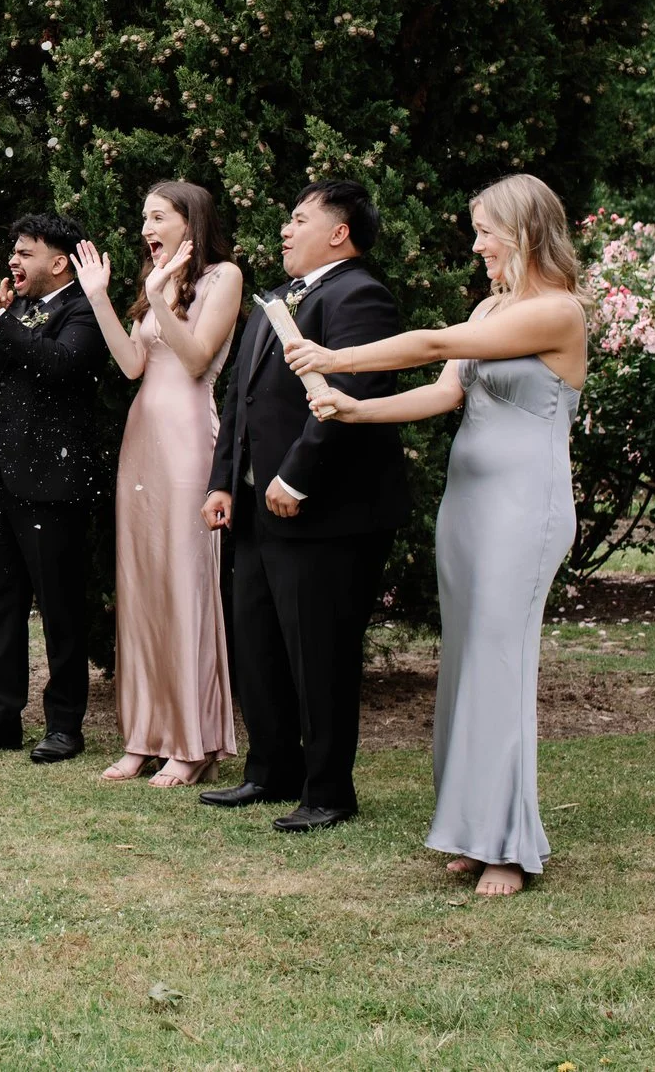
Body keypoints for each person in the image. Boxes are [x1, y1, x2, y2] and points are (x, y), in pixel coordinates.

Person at [288, 175, 588, 895]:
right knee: (466, 666)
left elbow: (430, 343)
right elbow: (446, 391)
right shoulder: (493, 305)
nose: (477, 244)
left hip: (526, 505)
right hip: (470, 505)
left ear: (524, 231)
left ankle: (509, 846)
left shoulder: (559, 312)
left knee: (499, 664)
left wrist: (334, 358)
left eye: (486, 230)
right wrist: (349, 410)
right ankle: (470, 828)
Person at [198, 179, 409, 834]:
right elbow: (242, 397)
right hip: (257, 508)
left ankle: (328, 789)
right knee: (256, 641)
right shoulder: (274, 301)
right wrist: (224, 480)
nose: (285, 229)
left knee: (320, 651)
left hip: (327, 512)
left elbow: (352, 395)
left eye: (298, 217)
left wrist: (295, 476)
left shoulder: (360, 295)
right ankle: (270, 768)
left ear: (339, 231)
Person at [73, 183, 244, 788]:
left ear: (189, 221)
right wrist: (100, 300)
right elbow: (130, 365)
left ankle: (192, 742)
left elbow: (197, 361)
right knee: (140, 588)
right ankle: (144, 736)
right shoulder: (155, 282)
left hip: (188, 442)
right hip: (141, 440)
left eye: (156, 215)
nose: (144, 224)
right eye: (142, 214)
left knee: (184, 586)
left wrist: (156, 297)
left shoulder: (223, 277)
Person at [0, 213, 113, 765]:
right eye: (12, 251)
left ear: (57, 262)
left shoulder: (81, 310)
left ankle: (64, 725)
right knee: (2, 605)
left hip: (52, 481)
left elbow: (61, 365)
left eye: (25, 253)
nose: (13, 261)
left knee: (59, 608)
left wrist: (2, 321)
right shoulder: (8, 309)